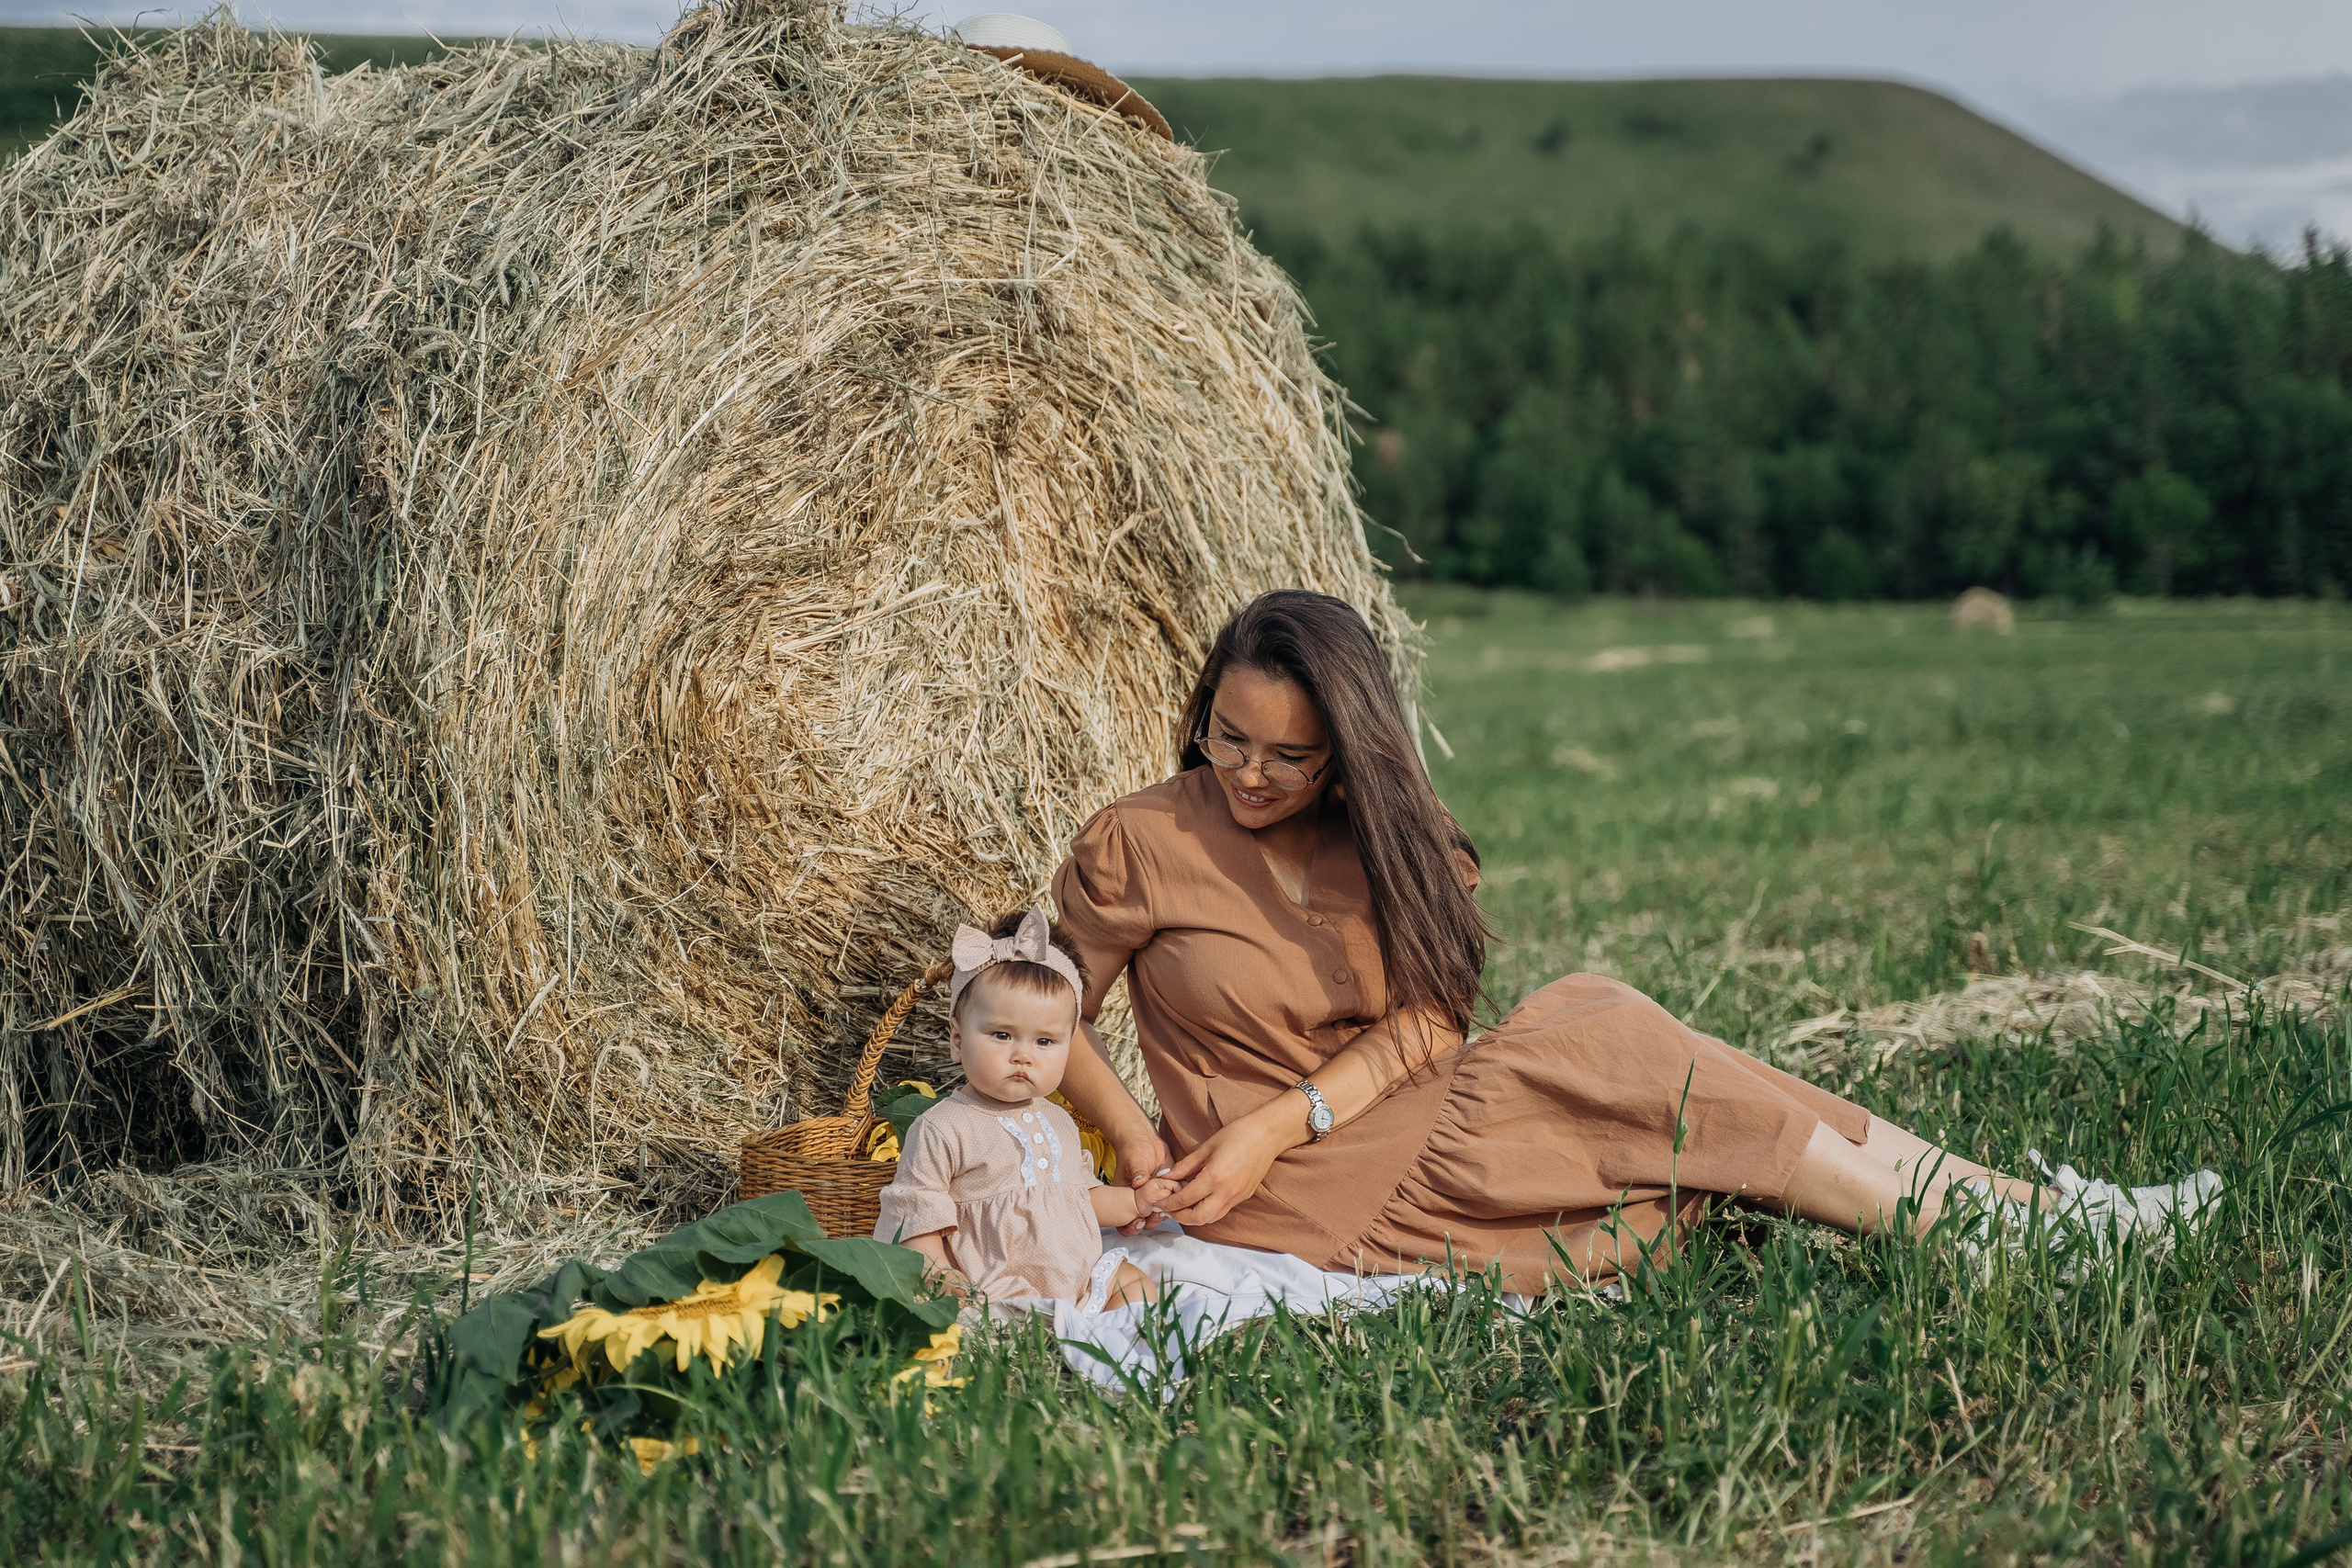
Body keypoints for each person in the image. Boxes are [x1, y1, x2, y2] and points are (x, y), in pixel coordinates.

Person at [1048, 591, 2219, 1291]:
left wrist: (1280, 1115)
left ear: (1348, 751)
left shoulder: (1387, 842)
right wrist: (1142, 1131)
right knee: (1619, 1041)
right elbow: (1047, 1002)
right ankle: (1995, 1232)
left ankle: (2028, 1213)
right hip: (1297, 1193)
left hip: (1357, 1121)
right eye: (1225, 735)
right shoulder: (1143, 840)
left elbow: (1426, 1023)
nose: (1246, 772)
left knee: (1654, 1056)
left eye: (1288, 756)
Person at [876, 907, 1182, 1313]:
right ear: (957, 1039)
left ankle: (1122, 1348)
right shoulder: (942, 1128)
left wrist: (1136, 1203)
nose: (1023, 1055)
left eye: (1045, 1042)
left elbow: (1080, 1197)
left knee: (1134, 1285)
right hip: (996, 1285)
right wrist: (938, 1272)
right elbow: (915, 1213)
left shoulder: (1057, 1120)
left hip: (1076, 1277)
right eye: (1002, 1035)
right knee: (988, 1320)